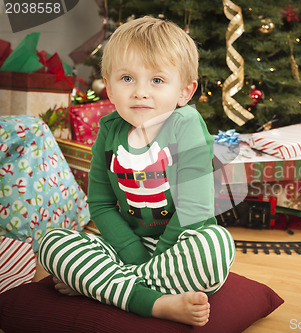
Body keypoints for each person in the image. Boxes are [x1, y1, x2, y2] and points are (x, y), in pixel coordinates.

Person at [38, 16, 235, 327]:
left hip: (184, 244)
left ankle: (106, 287)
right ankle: (155, 302)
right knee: (51, 243)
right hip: (126, 243)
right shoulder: (108, 131)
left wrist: (149, 260)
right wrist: (131, 251)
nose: (140, 92)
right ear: (110, 87)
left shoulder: (187, 126)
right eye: (127, 78)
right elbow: (101, 204)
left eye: (157, 80)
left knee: (216, 247)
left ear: (184, 92)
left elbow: (195, 207)